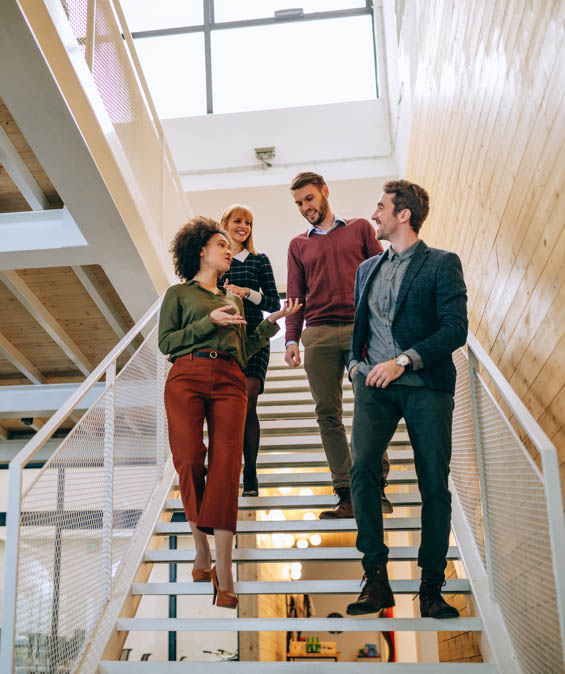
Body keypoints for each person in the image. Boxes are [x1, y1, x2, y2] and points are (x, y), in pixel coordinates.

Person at [158, 217, 300, 609]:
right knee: (189, 459)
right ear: (201, 250)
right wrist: (208, 321)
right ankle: (200, 549)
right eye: (221, 244)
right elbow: (166, 342)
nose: (228, 250)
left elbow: (244, 347)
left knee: (227, 467)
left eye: (228, 246)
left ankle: (225, 568)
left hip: (231, 378)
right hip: (186, 374)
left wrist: (270, 325)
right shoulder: (178, 295)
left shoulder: (233, 299)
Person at [345, 180, 468, 619]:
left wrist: (404, 360)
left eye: (381, 208)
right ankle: (376, 578)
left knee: (433, 483)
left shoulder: (441, 264)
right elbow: (357, 330)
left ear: (403, 215)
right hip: (373, 389)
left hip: (425, 386)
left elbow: (455, 329)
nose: (373, 214)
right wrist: (354, 368)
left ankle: (432, 587)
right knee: (361, 471)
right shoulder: (366, 270)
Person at [285, 171, 392, 518]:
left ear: (325, 193)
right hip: (317, 333)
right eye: (300, 203)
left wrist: (384, 325)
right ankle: (346, 493)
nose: (305, 207)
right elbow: (295, 295)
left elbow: (381, 275)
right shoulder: (298, 245)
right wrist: (290, 338)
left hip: (361, 329)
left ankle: (374, 488)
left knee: (371, 407)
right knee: (327, 414)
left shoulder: (359, 228)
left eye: (310, 199)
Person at [219, 204, 280, 496]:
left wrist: (247, 293)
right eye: (238, 221)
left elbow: (273, 303)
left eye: (249, 222)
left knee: (248, 401)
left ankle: (251, 472)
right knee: (229, 409)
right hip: (224, 341)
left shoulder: (259, 260)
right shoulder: (218, 261)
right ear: (225, 224)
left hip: (256, 338)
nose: (244, 226)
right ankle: (230, 469)